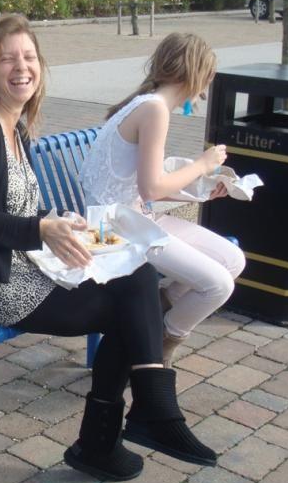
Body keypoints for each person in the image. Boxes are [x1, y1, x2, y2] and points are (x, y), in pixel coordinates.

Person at [0, 14, 217, 483]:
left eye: (29, 57)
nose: (21, 67)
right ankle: (126, 427)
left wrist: (59, 223)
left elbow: (17, 205)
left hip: (28, 267)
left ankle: (133, 421)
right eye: (7, 59)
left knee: (138, 276)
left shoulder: (14, 127)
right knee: (132, 305)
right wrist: (40, 230)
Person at [80, 32, 245, 368]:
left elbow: (139, 184)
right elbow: (151, 188)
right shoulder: (154, 110)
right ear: (196, 74)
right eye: (207, 78)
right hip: (110, 233)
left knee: (233, 260)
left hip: (130, 220)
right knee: (217, 286)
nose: (205, 89)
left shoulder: (147, 104)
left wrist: (202, 187)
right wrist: (203, 165)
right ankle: (160, 344)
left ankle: (153, 313)